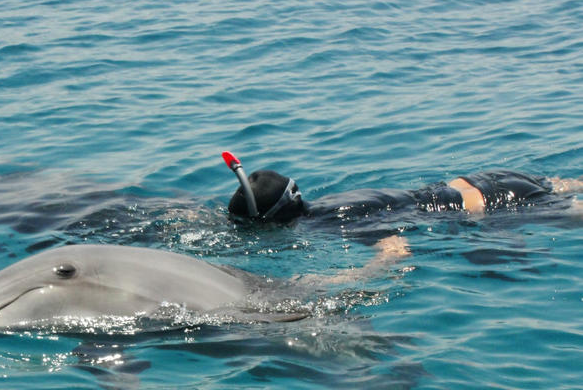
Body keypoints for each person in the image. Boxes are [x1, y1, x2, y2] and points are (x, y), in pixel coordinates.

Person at [222, 151, 583, 224]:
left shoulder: (333, 225)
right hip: (488, 179)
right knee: (566, 187)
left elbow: (396, 249)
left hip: (491, 204)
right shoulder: (332, 202)